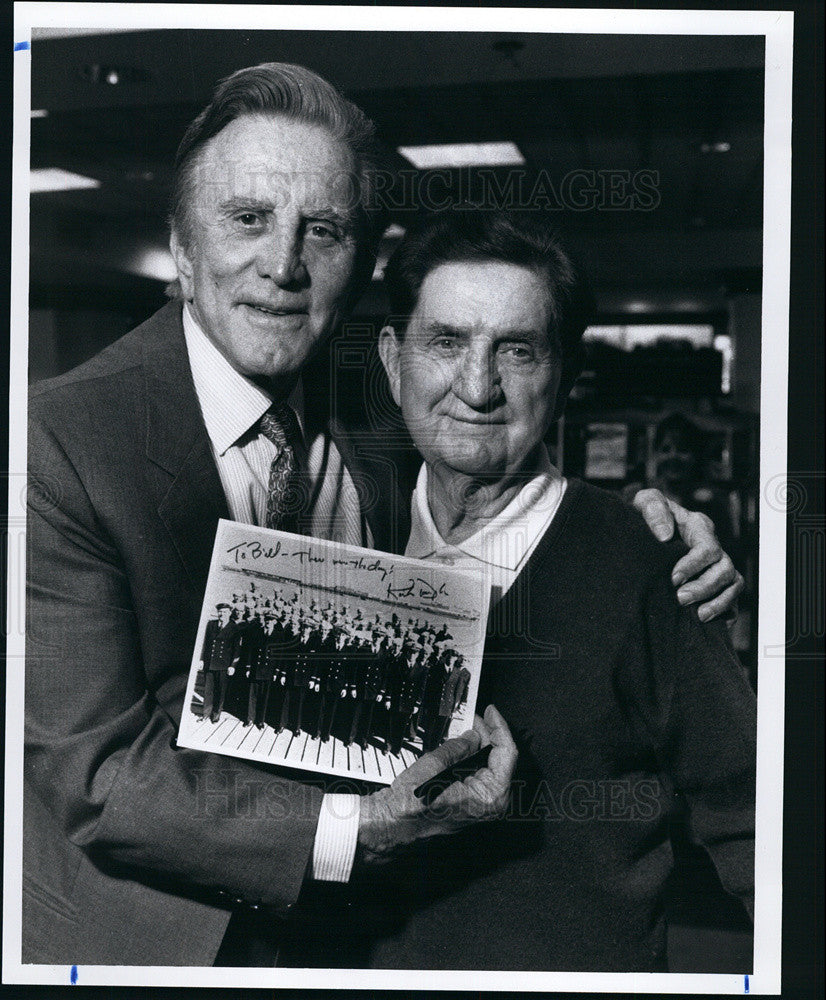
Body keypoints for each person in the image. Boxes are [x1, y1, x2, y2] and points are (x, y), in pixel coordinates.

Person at [25, 62, 742, 967]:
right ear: (181, 244)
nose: (283, 265)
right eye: (247, 218)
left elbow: (487, 440)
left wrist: (650, 525)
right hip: (156, 941)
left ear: (357, 264)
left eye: (320, 231)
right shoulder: (58, 444)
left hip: (352, 944)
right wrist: (357, 830)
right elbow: (98, 779)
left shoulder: (369, 416)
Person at [336, 207, 756, 972]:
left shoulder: (649, 566)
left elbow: (760, 827)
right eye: (447, 342)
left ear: (562, 374)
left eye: (518, 351)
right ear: (395, 361)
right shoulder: (347, 536)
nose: (477, 386)